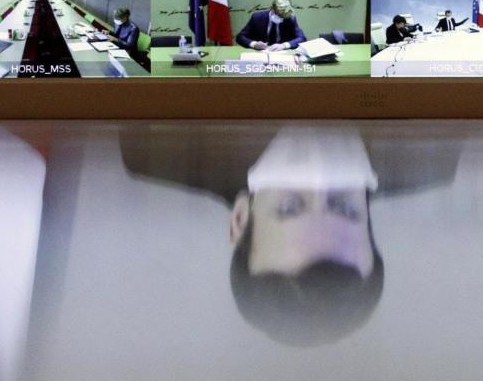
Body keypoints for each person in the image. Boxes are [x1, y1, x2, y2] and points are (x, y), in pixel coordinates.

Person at [119, 125, 460, 346]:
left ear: (240, 219)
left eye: (289, 207)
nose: (320, 175)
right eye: (344, 207)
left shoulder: (156, 142)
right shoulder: (431, 150)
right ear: (370, 217)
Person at [236, 0, 307, 50]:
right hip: (260, 53)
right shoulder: (257, 17)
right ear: (272, 8)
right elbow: (240, 37)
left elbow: (302, 38)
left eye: (283, 16)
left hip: (281, 54)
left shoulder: (289, 18)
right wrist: (254, 44)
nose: (281, 18)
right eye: (279, 15)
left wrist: (284, 45)